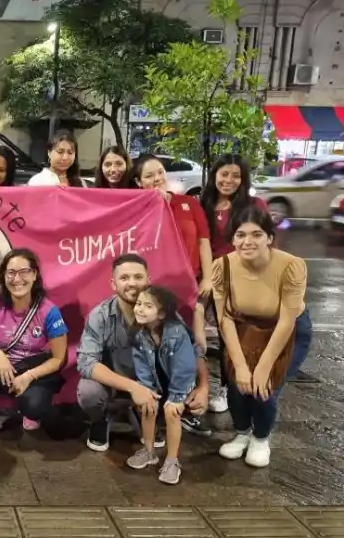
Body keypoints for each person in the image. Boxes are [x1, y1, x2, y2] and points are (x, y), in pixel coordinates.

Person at [76, 254, 209, 452]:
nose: (132, 283)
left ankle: (146, 415)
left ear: (148, 280)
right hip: (115, 383)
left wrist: (204, 387)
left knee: (183, 384)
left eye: (138, 277)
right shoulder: (100, 315)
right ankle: (100, 420)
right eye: (124, 278)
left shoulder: (164, 313)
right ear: (113, 284)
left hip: (154, 384)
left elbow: (192, 348)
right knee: (89, 392)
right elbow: (86, 362)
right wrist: (133, 388)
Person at [212, 206, 310, 468]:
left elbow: (287, 321)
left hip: (286, 329)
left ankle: (260, 438)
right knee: (237, 385)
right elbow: (224, 319)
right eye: (240, 235)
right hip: (244, 327)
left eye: (256, 234)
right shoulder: (222, 266)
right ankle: (242, 433)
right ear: (233, 239)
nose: (248, 241)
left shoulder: (292, 266)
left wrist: (263, 368)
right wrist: (241, 367)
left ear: (269, 237)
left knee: (264, 388)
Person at [135, 154, 213, 437]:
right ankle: (156, 409)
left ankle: (190, 404)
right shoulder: (137, 208)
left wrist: (207, 277)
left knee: (191, 346)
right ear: (138, 182)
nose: (156, 179)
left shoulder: (188, 204)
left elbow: (203, 241)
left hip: (187, 289)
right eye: (148, 176)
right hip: (154, 293)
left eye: (159, 172)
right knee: (156, 348)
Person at [0, 249, 68, 443]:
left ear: (34, 274)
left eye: (24, 272)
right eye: (11, 273)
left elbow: (58, 359)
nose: (17, 279)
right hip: (3, 368)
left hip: (34, 369)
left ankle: (30, 412)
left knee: (34, 407)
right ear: (3, 276)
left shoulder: (49, 311)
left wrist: (28, 377)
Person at [200, 154, 270, 413]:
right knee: (223, 336)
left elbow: (268, 241)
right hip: (214, 280)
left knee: (247, 336)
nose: (229, 180)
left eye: (236, 176)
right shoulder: (204, 204)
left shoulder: (254, 205)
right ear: (214, 175)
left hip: (246, 280)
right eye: (224, 174)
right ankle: (226, 388)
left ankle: (252, 386)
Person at [126, 285, 197, 485]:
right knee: (147, 406)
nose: (140, 309)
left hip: (179, 383)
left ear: (162, 313)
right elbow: (141, 365)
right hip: (156, 380)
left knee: (171, 412)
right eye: (139, 304)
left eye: (148, 306)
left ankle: (172, 461)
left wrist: (177, 397)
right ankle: (148, 451)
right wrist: (146, 390)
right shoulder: (139, 334)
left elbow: (184, 367)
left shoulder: (177, 333)